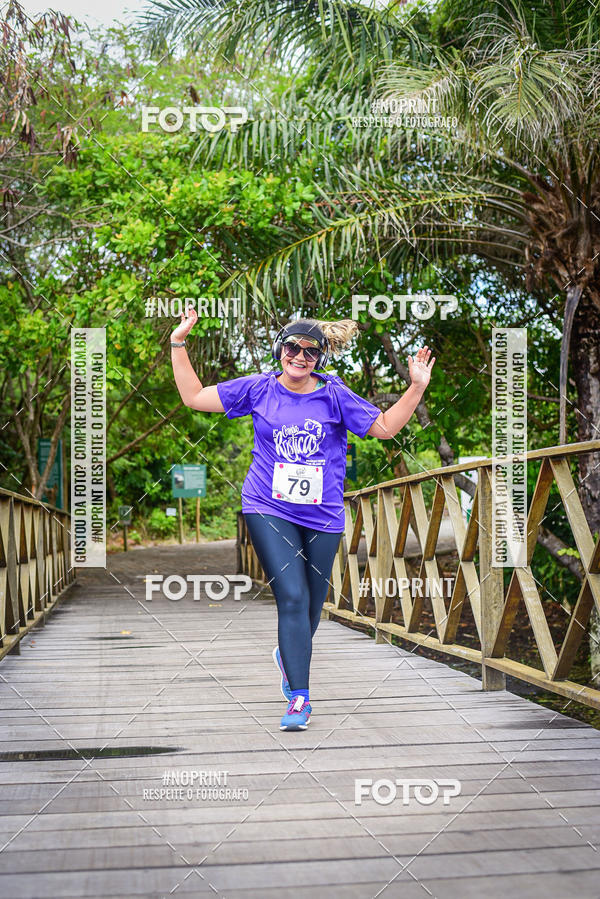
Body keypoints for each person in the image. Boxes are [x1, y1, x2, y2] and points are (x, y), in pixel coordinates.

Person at [170, 310, 435, 731]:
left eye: (311, 351)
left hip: (322, 515)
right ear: (281, 350)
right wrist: (178, 343)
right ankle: (300, 698)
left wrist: (416, 386)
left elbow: (384, 428)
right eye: (293, 347)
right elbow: (194, 396)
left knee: (311, 607)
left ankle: (288, 653)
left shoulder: (334, 394)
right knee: (292, 598)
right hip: (267, 506)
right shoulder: (258, 388)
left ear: (320, 358)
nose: (300, 356)